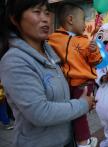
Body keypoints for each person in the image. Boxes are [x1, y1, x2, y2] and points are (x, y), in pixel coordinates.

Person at [0, 0, 96, 147]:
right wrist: (82, 105)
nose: (45, 18)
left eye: (46, 12)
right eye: (36, 12)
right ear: (15, 19)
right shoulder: (15, 61)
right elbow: (40, 113)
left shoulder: (51, 53)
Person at [48, 3, 102, 147]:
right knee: (67, 112)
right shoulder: (53, 38)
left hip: (84, 83)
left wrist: (94, 51)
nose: (85, 24)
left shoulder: (85, 41)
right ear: (70, 20)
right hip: (64, 83)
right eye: (83, 20)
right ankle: (77, 139)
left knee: (79, 113)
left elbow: (96, 62)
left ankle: (84, 142)